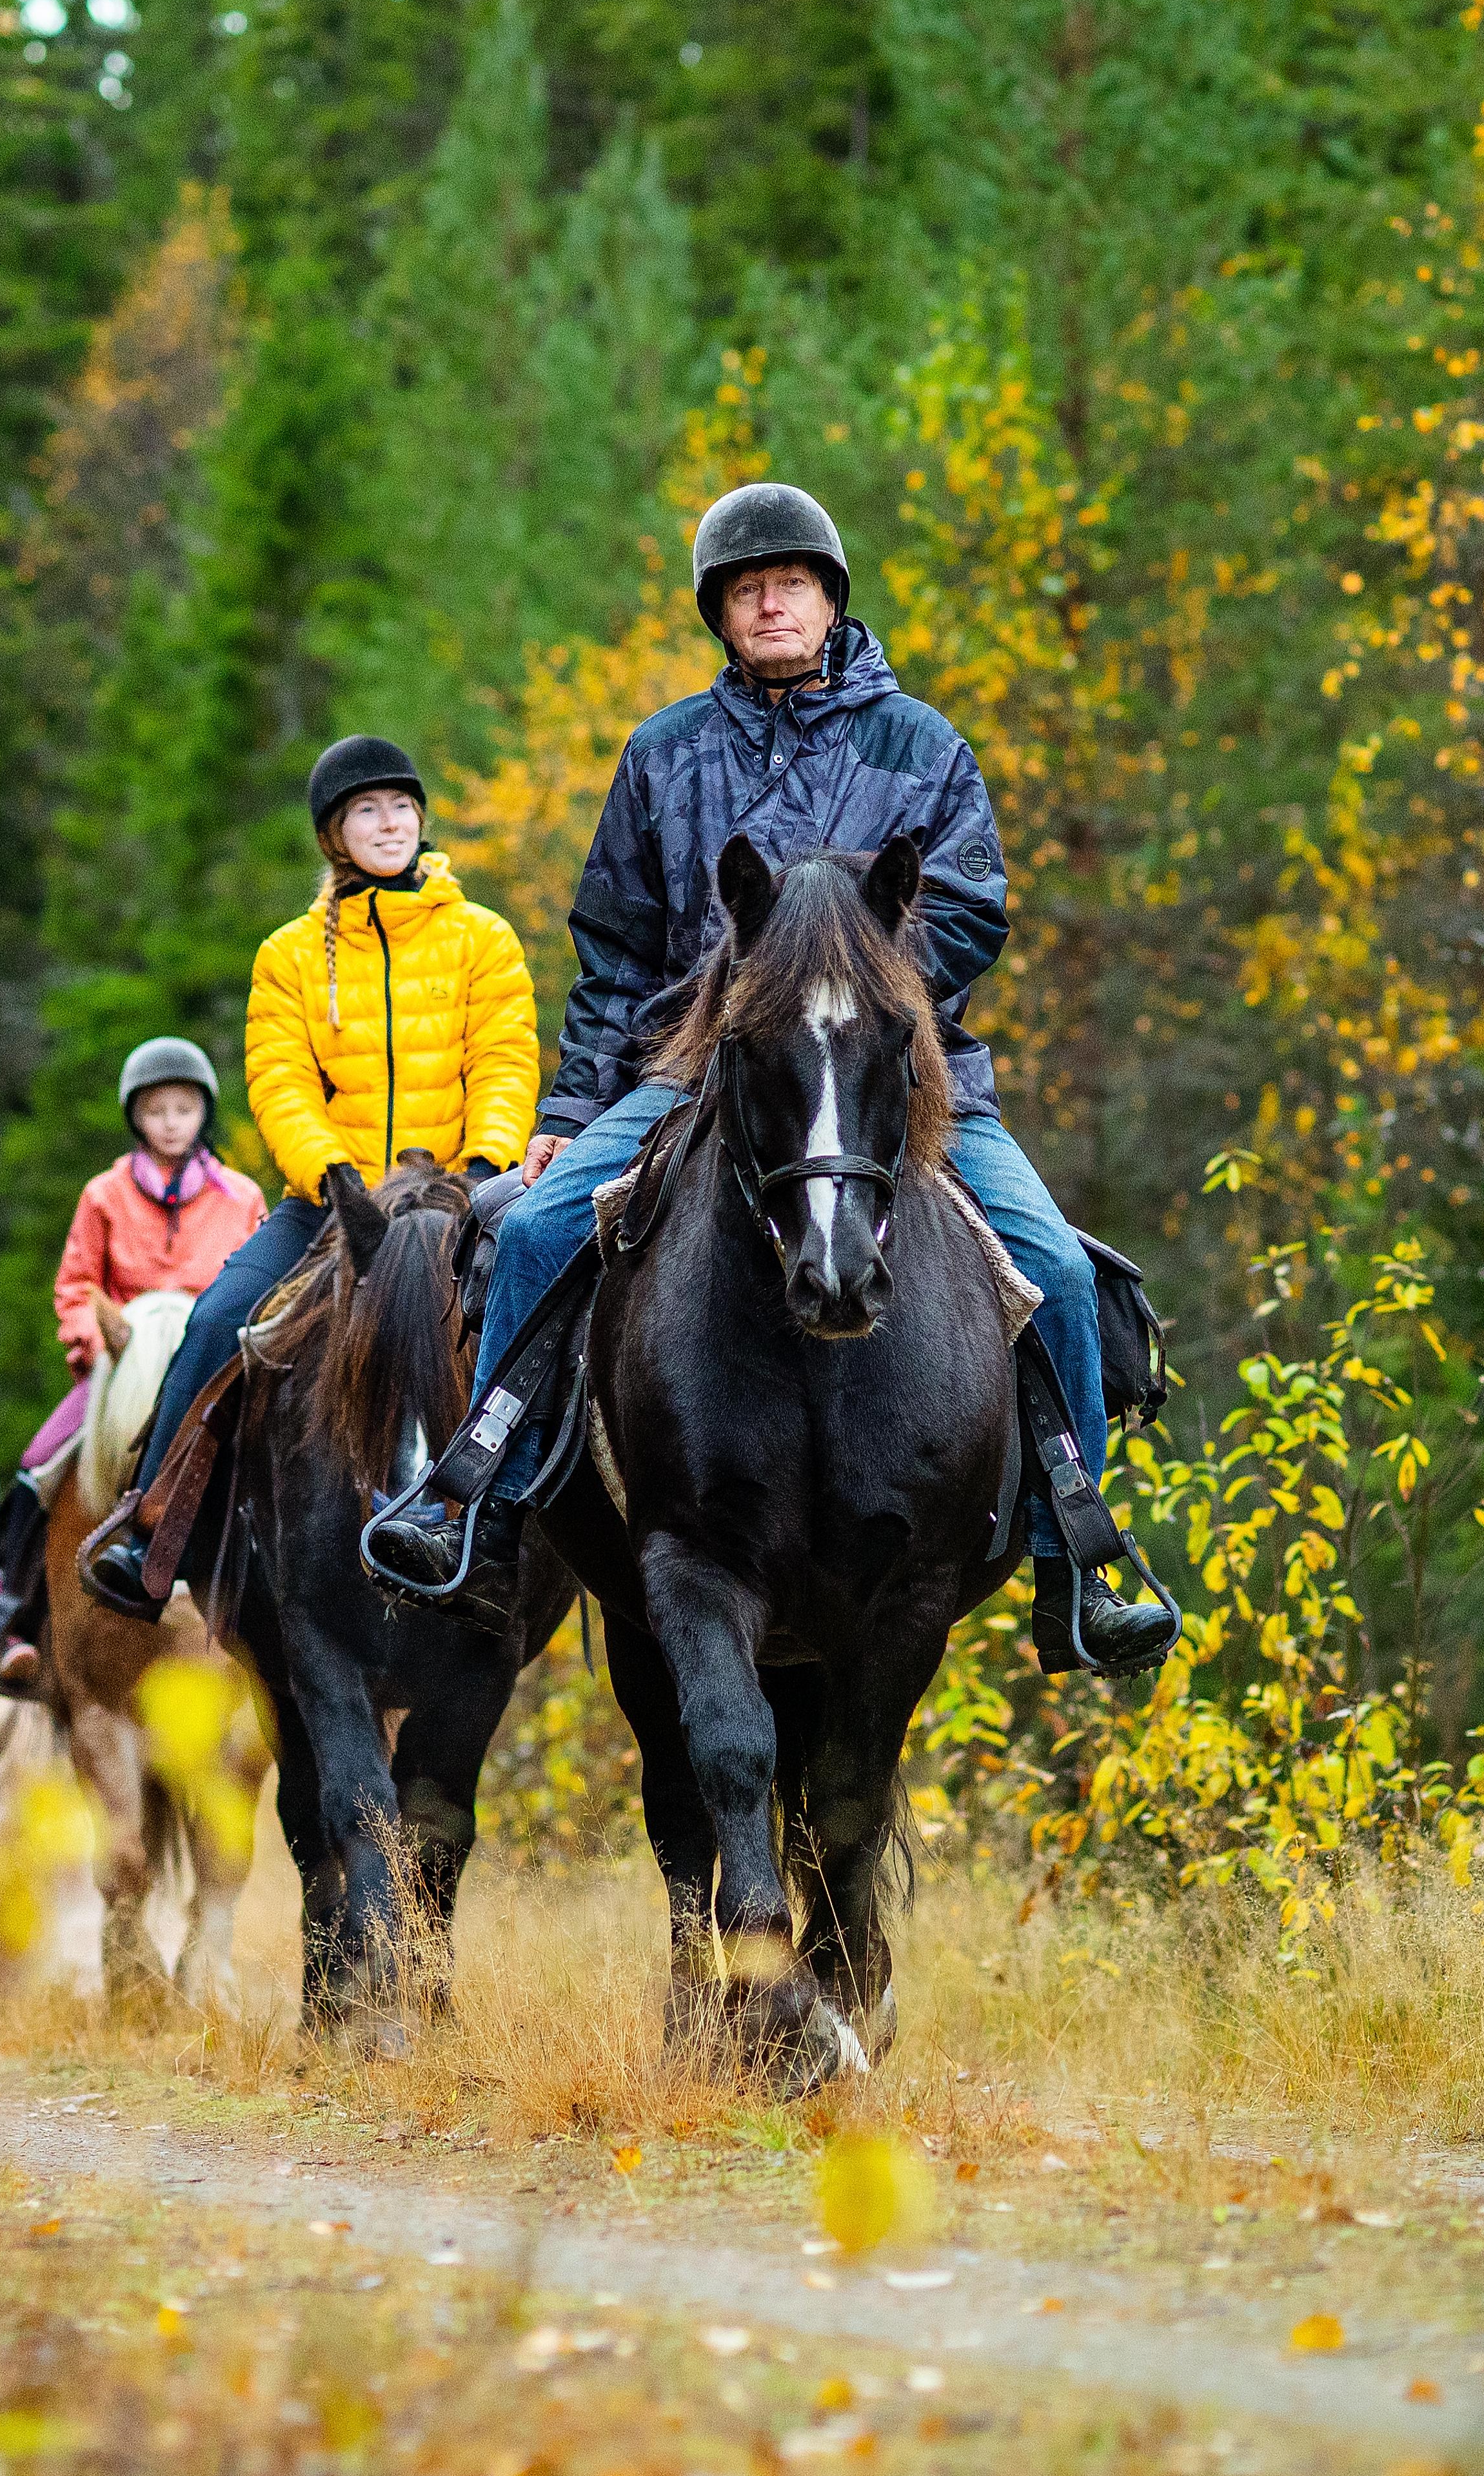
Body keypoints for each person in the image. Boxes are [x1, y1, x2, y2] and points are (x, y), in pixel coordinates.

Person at [359, 481, 1180, 1676]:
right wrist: (568, 1113)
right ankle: (468, 1507)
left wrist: (838, 991)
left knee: (1050, 1265)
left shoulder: (924, 745)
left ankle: (1081, 1561)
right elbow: (616, 949)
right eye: (745, 589)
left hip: (897, 1074)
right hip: (696, 1070)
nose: (769, 600)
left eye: (789, 581)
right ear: (719, 616)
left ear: (831, 598)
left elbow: (967, 909)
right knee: (531, 1228)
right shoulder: (662, 753)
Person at [79, 734, 539, 1617]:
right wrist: (330, 1175)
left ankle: (543, 1531)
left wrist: (485, 1164)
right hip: (335, 1204)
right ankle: (154, 1525)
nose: (389, 822)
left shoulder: (483, 937)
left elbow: (508, 1057)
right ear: (334, 835)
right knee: (217, 1318)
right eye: (366, 810)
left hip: (459, 1196)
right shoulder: (289, 955)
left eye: (401, 805)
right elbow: (279, 1078)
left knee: (560, 1320)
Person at [0, 1037, 266, 1690]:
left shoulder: (241, 1197)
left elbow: (263, 1282)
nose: (170, 1122)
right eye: (156, 1110)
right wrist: (96, 1344)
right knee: (41, 1463)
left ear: (203, 1113)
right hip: (123, 1357)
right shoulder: (103, 1194)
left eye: (183, 1109)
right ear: (136, 1116)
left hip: (210, 1360)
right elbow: (75, 1286)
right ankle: (13, 1618)